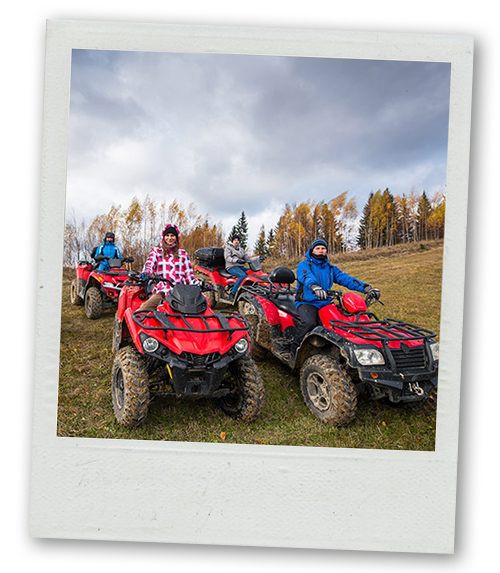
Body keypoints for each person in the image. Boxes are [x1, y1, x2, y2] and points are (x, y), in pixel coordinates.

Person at [291, 238, 380, 355]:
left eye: (323, 248)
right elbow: (307, 277)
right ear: (312, 251)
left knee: (341, 323)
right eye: (318, 248)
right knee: (309, 322)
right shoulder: (304, 265)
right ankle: (295, 350)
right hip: (307, 302)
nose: (321, 251)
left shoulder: (330, 268)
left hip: (325, 303)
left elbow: (346, 279)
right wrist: (315, 287)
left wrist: (366, 288)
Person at [138, 223, 200, 311]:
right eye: (167, 235)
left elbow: (189, 276)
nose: (170, 238)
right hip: (162, 292)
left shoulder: (182, 254)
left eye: (172, 235)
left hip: (181, 294)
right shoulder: (156, 252)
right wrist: (146, 273)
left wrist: (199, 285)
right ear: (163, 237)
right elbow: (149, 264)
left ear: (176, 238)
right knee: (141, 312)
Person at [224, 234, 261, 299]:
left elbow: (248, 259)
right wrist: (236, 260)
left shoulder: (241, 249)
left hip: (240, 266)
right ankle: (232, 293)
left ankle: (253, 291)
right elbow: (227, 258)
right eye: (235, 240)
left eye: (237, 240)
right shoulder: (228, 248)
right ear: (232, 241)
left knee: (251, 272)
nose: (236, 241)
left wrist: (258, 258)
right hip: (231, 266)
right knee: (242, 275)